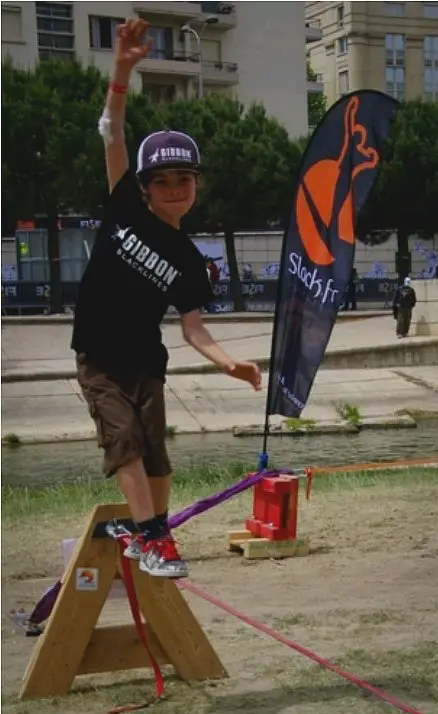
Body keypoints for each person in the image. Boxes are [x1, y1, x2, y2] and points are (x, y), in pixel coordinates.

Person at [71, 19, 262, 579]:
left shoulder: (188, 258)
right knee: (124, 442)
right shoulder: (124, 208)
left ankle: (150, 533)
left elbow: (193, 328)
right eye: (162, 179)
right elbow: (112, 130)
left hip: (146, 365)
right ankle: (155, 540)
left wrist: (230, 363)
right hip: (100, 359)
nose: (176, 187)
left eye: (186, 177)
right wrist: (123, 70)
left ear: (196, 185)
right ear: (144, 187)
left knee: (156, 455)